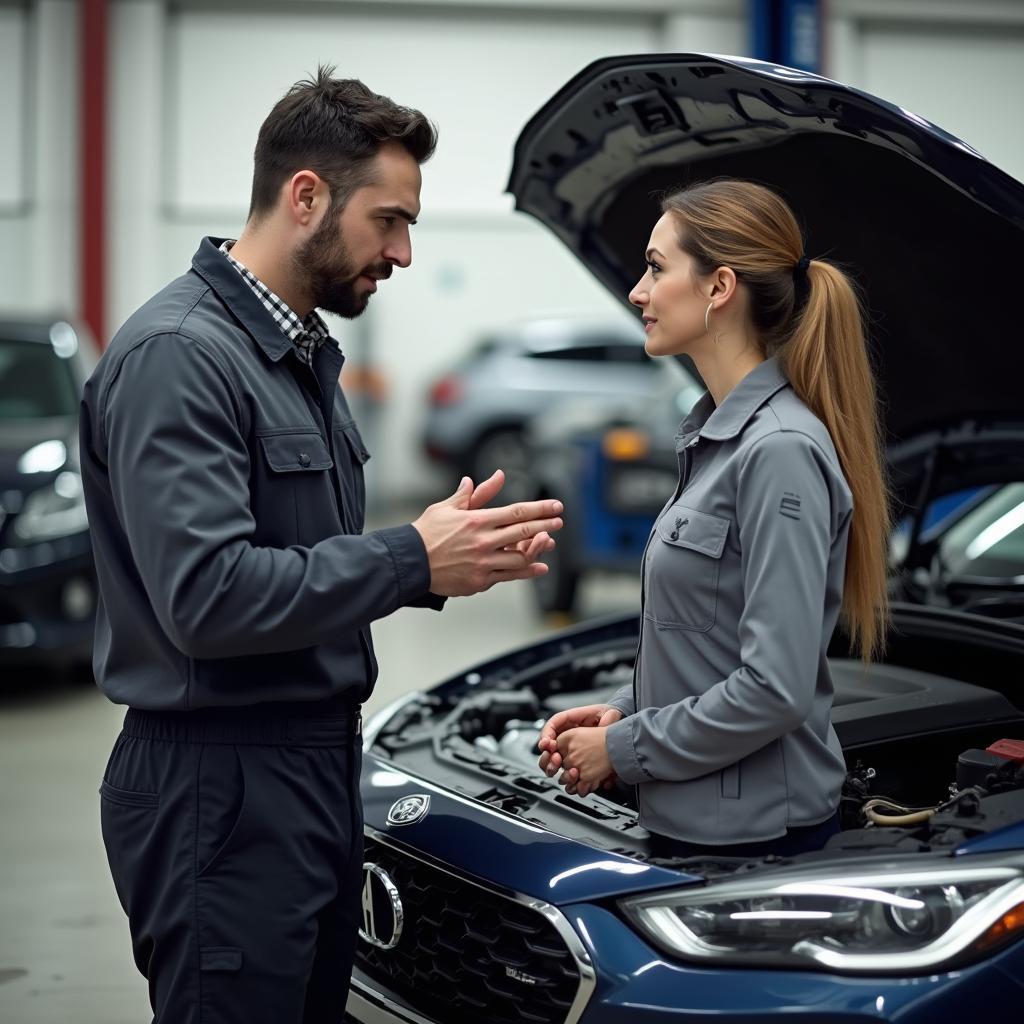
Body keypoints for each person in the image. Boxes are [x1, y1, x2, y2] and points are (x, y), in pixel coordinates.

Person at [80, 68, 563, 1024]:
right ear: (306, 196)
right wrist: (404, 560)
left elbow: (295, 556)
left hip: (304, 773)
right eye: (389, 220)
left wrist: (437, 556)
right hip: (219, 785)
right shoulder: (181, 355)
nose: (406, 252)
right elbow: (208, 597)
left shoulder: (294, 353)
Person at [537, 178, 890, 859]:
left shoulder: (779, 451)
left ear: (718, 287)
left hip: (756, 842)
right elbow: (707, 639)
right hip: (694, 820)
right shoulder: (715, 439)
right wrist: (625, 708)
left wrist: (621, 748)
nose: (638, 291)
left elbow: (774, 690)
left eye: (656, 267)